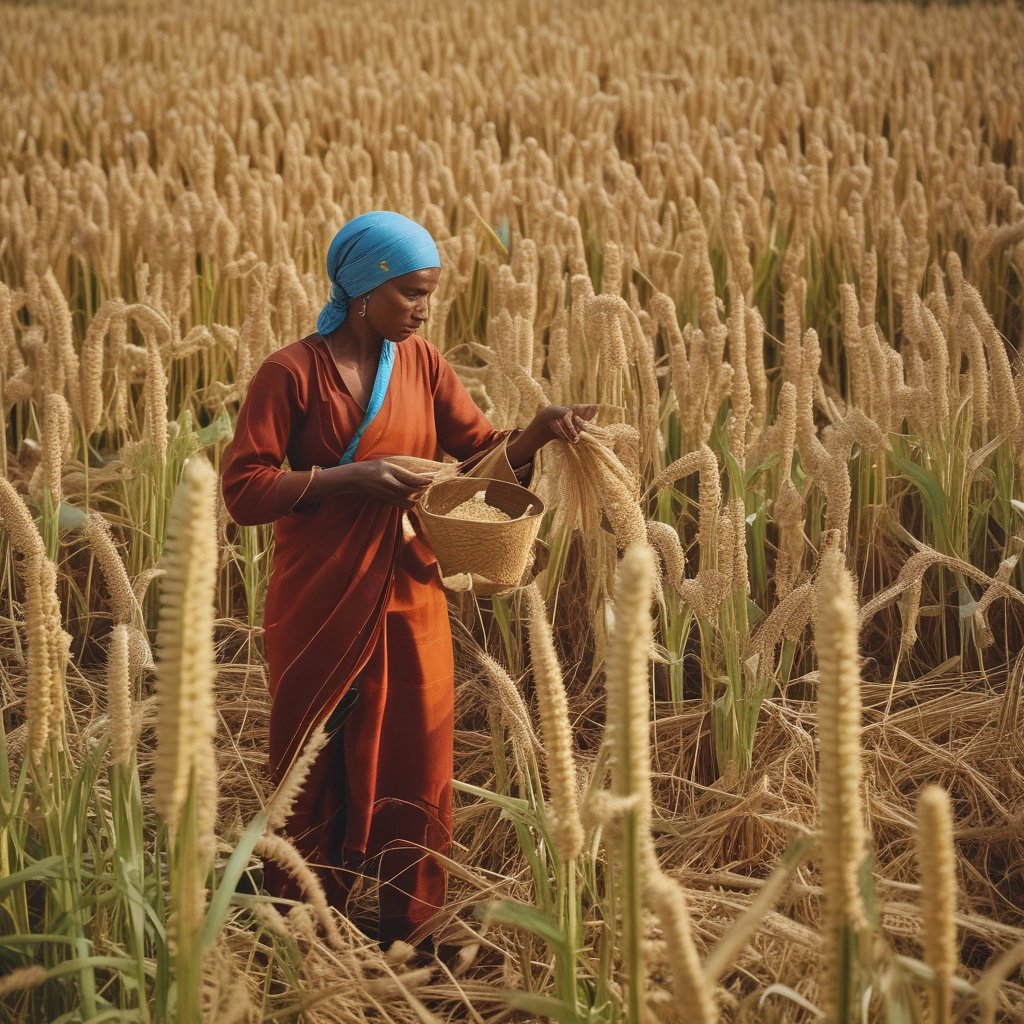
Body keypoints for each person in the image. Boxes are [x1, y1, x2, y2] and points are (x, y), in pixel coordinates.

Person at [220, 211, 594, 951]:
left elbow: (479, 457)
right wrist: (349, 478)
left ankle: (411, 926)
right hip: (318, 595)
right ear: (365, 288)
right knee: (312, 755)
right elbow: (244, 489)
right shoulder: (290, 374)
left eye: (430, 293)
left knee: (418, 756)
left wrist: (538, 431)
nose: (425, 309)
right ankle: (300, 924)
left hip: (412, 589)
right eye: (412, 293)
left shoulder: (422, 363)